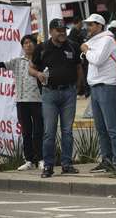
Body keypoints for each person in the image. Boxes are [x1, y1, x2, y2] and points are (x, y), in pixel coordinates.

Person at [29, 19, 82, 178]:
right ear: (51, 31)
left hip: (69, 94)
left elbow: (79, 67)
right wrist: (38, 74)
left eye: (63, 30)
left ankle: (67, 165)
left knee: (67, 131)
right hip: (49, 94)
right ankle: (48, 166)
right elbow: (31, 68)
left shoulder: (72, 45)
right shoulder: (42, 48)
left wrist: (78, 87)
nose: (62, 33)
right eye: (58, 30)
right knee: (49, 132)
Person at [0, 35, 43, 171]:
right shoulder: (17, 61)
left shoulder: (41, 60)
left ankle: (41, 159)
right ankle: (29, 161)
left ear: (35, 45)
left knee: (38, 131)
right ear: (22, 46)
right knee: (26, 132)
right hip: (21, 102)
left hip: (37, 101)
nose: (28, 45)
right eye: (25, 43)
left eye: (31, 42)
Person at [80, 14, 116, 172]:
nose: (88, 28)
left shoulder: (107, 40)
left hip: (107, 86)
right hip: (95, 87)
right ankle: (107, 159)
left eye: (91, 25)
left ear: (99, 26)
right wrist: (87, 49)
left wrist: (86, 51)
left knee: (111, 127)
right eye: (87, 25)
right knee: (100, 127)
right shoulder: (94, 41)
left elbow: (97, 60)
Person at [68, 17, 89, 98]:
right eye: (81, 23)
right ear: (77, 23)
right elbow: (76, 47)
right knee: (82, 74)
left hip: (81, 56)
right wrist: (80, 57)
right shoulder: (74, 32)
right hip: (79, 57)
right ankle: (81, 90)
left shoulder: (78, 32)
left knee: (84, 73)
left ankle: (82, 90)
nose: (82, 25)